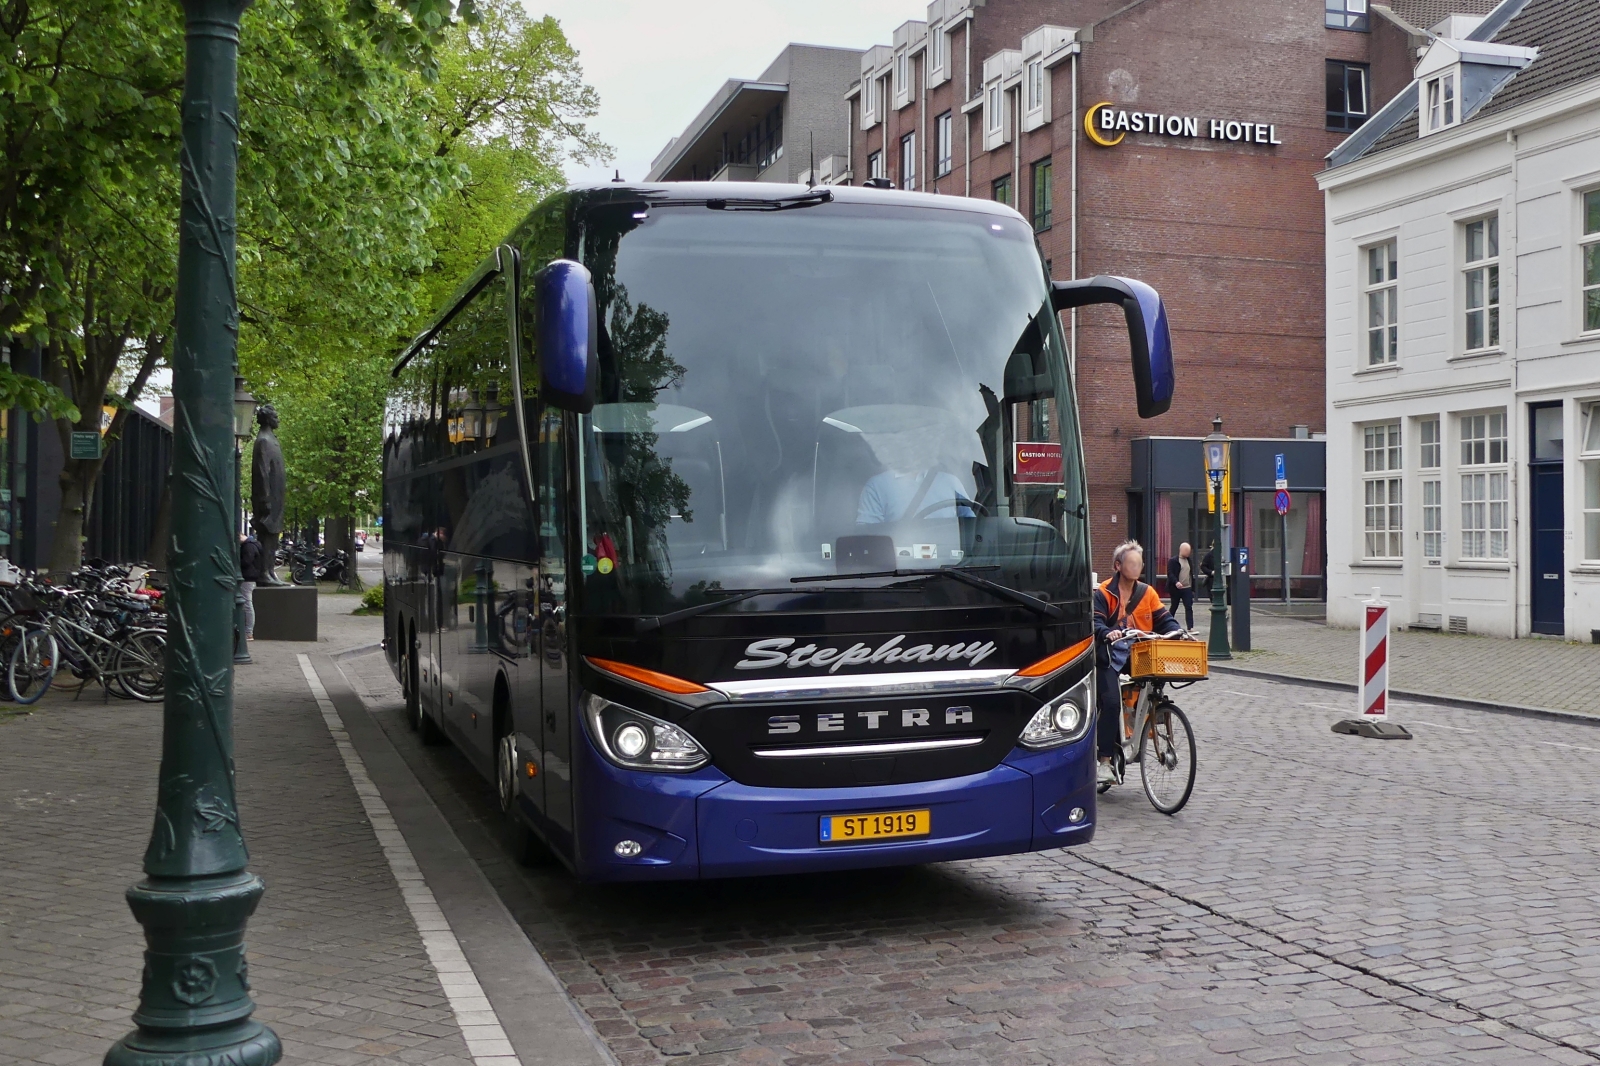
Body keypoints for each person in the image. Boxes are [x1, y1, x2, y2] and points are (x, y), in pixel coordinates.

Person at [1093, 540, 1183, 786]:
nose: (1137, 567)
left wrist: (1177, 631)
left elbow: (1164, 619)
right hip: (1110, 656)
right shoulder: (1104, 592)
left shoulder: (1147, 593)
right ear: (1118, 565)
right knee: (1110, 703)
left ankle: (1148, 721)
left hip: (1137, 653)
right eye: (1131, 562)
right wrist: (1105, 633)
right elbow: (1096, 621)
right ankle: (1104, 762)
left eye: (1139, 563)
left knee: (1156, 681)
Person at [238, 532, 264, 641]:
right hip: (251, 577)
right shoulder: (254, 544)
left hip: (247, 577)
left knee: (247, 604)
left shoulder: (248, 546)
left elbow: (246, 561)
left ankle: (248, 632)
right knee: (247, 603)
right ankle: (248, 631)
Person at [1166, 541, 1196, 631]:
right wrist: (1176, 582)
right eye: (1186, 550)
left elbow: (1191, 574)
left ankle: (1190, 627)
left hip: (1187, 588)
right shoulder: (1173, 561)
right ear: (1181, 550)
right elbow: (1170, 573)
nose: (1188, 553)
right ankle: (1167, 624)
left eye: (1189, 551)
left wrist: (1192, 588)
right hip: (1176, 588)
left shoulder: (1189, 560)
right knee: (1174, 606)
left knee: (1189, 607)